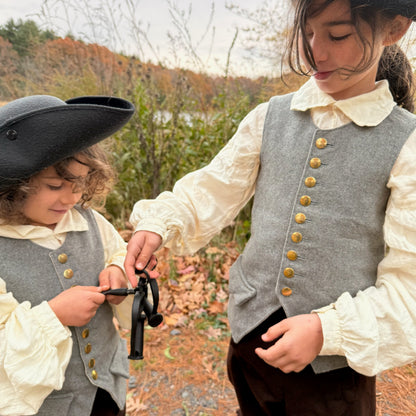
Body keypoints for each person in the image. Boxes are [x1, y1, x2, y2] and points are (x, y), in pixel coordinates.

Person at [125, 0, 416, 414]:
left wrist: (324, 331)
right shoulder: (270, 117)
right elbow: (213, 187)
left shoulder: (406, 145)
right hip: (249, 346)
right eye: (309, 33)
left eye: (337, 35)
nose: (316, 50)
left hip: (331, 376)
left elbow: (409, 285)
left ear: (395, 29)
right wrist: (158, 224)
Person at [0, 95, 135, 416]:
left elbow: (118, 251)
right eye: (55, 185)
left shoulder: (89, 221)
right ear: (12, 185)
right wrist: (53, 316)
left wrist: (118, 269)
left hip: (105, 388)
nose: (71, 197)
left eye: (79, 183)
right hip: (42, 405)